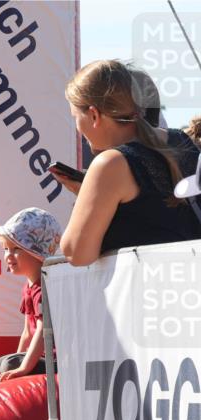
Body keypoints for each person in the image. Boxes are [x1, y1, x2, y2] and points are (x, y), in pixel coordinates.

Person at [50, 60, 200, 266]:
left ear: (94, 115)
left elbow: (76, 254)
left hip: (150, 293)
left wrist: (86, 198)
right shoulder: (181, 140)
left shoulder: (110, 164)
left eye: (76, 116)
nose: (78, 128)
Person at [0, 208, 61, 383]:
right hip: (39, 356)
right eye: (5, 249)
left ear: (37, 254)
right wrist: (16, 360)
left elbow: (42, 331)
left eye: (16, 249)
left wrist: (23, 367)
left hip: (55, 360)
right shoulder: (28, 286)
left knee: (8, 364)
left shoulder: (44, 289)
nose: (8, 256)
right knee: (1, 364)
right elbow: (27, 331)